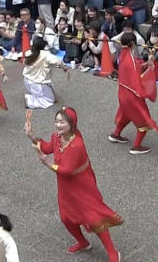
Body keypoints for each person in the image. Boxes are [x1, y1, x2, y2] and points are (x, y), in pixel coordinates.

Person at [25, 107, 123, 262]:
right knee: (67, 217)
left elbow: (67, 170)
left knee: (93, 218)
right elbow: (47, 147)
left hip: (81, 184)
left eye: (62, 122)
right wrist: (32, 136)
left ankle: (113, 252)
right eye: (56, 121)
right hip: (65, 187)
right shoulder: (57, 137)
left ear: (71, 124)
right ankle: (83, 242)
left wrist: (47, 163)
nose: (58, 125)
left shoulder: (76, 144)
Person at [108, 33, 158, 154]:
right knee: (143, 120)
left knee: (127, 114)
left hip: (123, 94)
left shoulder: (124, 56)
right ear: (132, 44)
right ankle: (136, 146)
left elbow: (135, 67)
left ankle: (116, 134)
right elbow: (136, 77)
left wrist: (146, 63)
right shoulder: (130, 59)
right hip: (132, 96)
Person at [22, 37, 68, 109]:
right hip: (38, 83)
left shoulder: (29, 52)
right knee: (49, 101)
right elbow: (57, 61)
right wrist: (64, 68)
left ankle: (36, 95)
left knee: (54, 98)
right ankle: (29, 101)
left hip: (27, 80)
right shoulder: (46, 55)